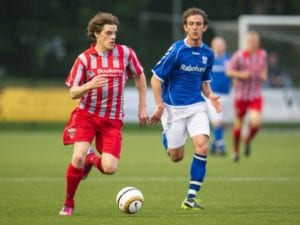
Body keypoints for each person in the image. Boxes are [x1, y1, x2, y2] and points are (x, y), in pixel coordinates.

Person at [59, 12, 149, 216]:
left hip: (112, 121)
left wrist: (143, 106)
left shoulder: (125, 53)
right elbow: (73, 92)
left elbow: (140, 76)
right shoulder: (84, 59)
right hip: (86, 116)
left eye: (115, 33)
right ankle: (69, 202)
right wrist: (89, 84)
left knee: (109, 168)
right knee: (78, 157)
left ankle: (92, 158)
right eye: (108, 33)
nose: (113, 37)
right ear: (96, 34)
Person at [150, 7, 222, 210]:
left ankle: (190, 198)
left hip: (196, 107)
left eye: (199, 24)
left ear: (205, 27)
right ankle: (167, 136)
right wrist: (159, 106)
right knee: (176, 157)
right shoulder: (177, 51)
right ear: (185, 27)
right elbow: (155, 80)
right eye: (191, 24)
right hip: (172, 109)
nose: (195, 27)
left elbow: (204, 82)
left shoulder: (208, 54)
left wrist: (210, 96)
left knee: (202, 146)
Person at [226, 31, 267, 162]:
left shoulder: (262, 54)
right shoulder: (239, 56)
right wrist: (241, 75)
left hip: (255, 94)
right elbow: (229, 71)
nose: (254, 44)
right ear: (247, 42)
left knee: (256, 123)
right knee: (238, 125)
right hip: (241, 96)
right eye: (251, 42)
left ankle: (247, 139)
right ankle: (236, 151)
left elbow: (264, 68)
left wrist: (264, 74)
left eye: (256, 42)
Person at [207, 36, 231, 155]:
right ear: (213, 46)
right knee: (217, 120)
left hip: (227, 94)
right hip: (213, 94)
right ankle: (221, 144)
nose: (219, 47)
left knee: (222, 122)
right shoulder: (209, 59)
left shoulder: (229, 59)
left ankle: (214, 144)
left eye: (221, 45)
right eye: (217, 45)